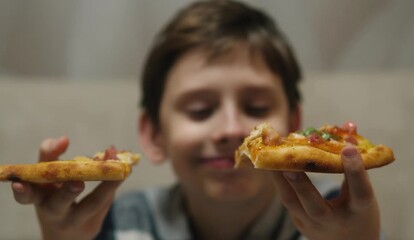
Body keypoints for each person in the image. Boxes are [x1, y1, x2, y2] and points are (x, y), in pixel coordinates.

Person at [11, 1, 382, 239]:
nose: (233, 129)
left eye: (255, 107)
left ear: (295, 128)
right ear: (154, 135)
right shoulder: (115, 224)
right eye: (200, 110)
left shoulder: (335, 219)